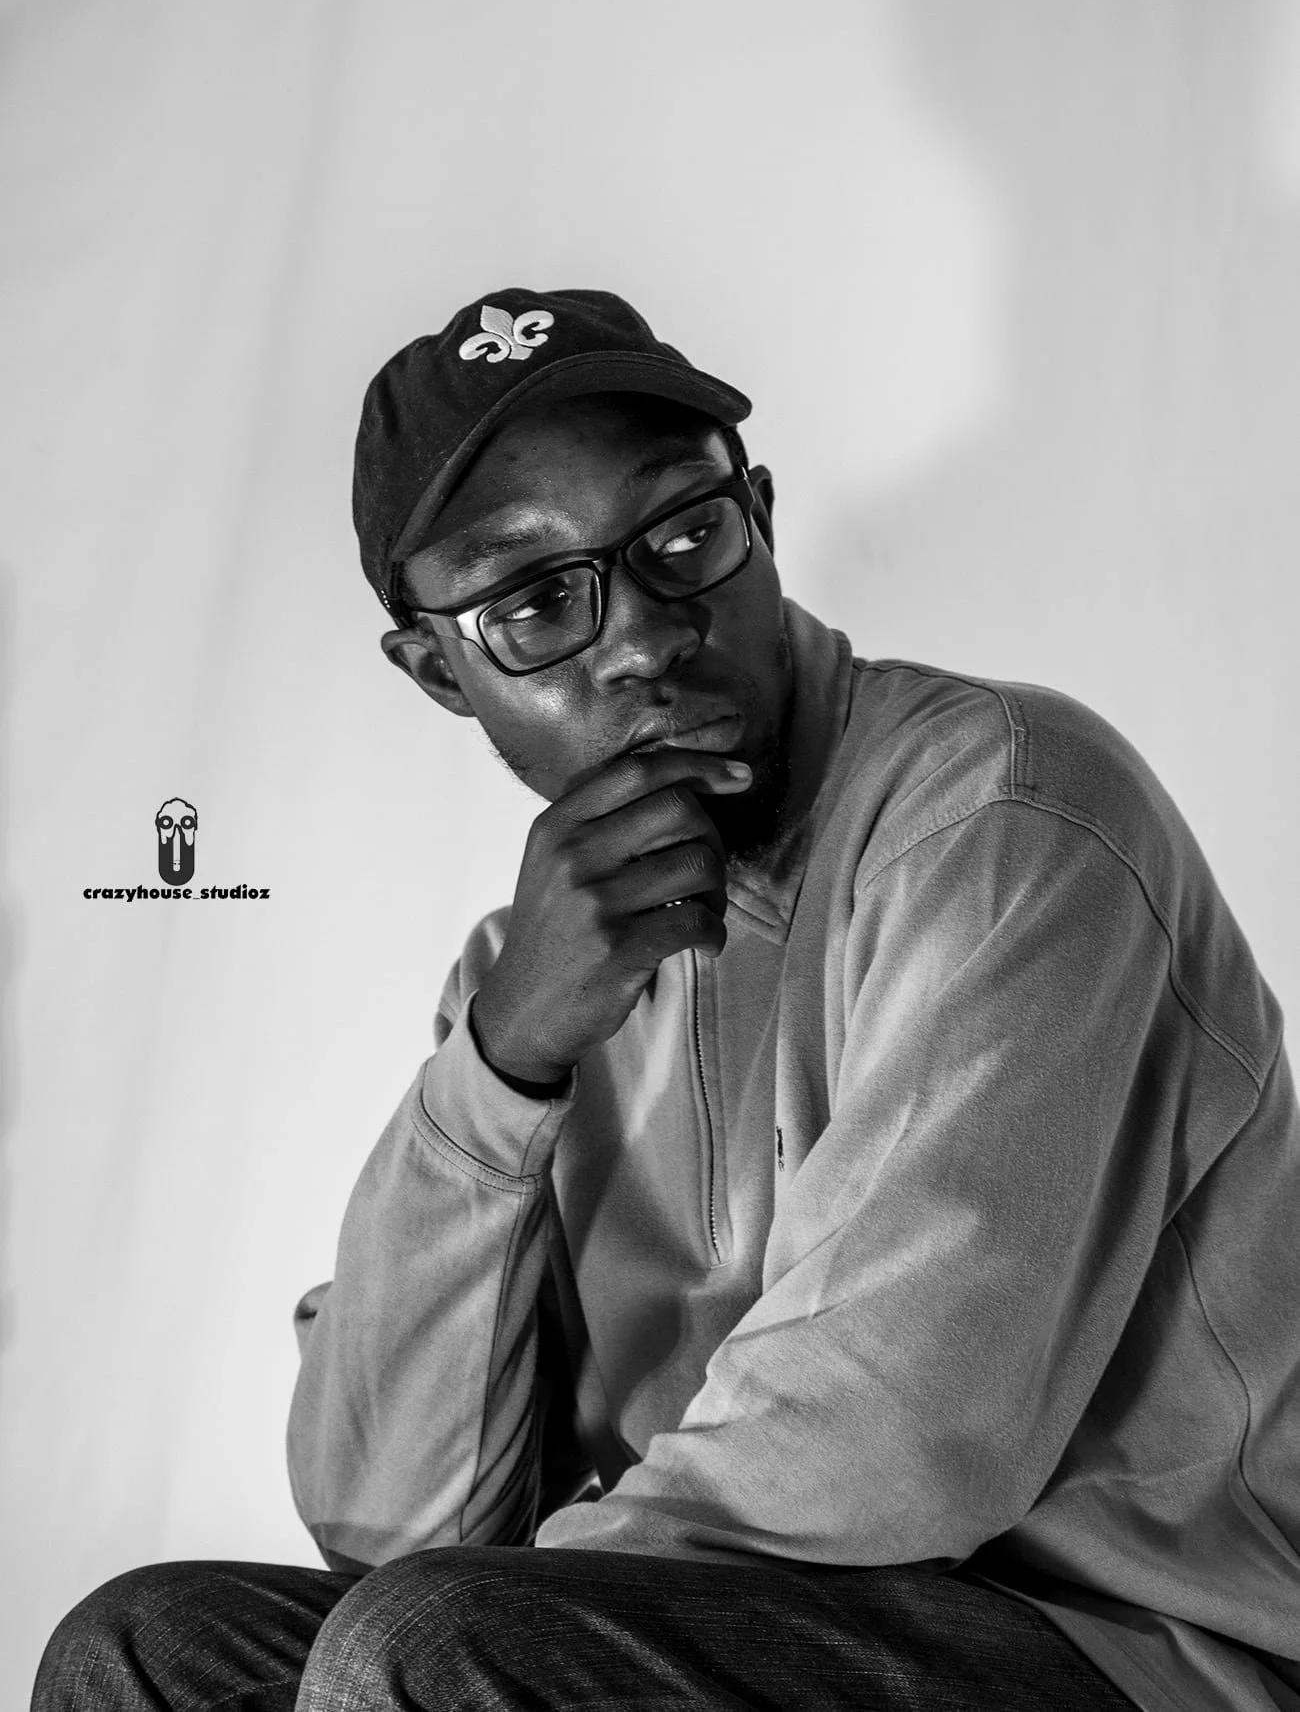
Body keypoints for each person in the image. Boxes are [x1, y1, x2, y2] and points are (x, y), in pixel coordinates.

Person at [35, 288, 1299, 1711]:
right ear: (437, 672)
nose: (640, 637)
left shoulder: (1006, 815)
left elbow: (900, 1436)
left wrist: (486, 1622)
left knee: (432, 1650)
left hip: (1132, 1652)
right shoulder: (540, 972)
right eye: (531, 602)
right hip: (748, 1627)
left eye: (686, 534)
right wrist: (502, 1062)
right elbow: (391, 1522)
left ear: (760, 509)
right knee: (145, 1647)